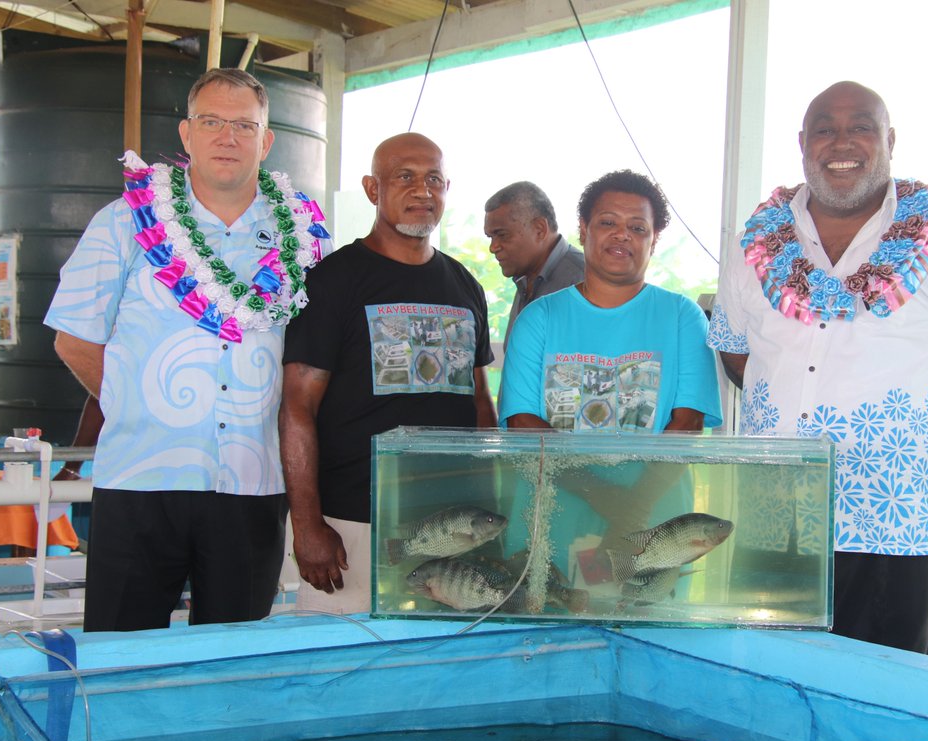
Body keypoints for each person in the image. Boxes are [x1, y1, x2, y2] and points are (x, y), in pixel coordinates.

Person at [709, 81, 928, 661]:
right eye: (825, 128)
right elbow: (737, 354)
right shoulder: (751, 248)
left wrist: (908, 431)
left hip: (894, 515)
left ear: (890, 141)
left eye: (861, 126)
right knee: (772, 680)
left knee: (892, 695)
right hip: (776, 511)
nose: (842, 141)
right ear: (803, 143)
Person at [44, 68, 331, 631]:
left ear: (266, 140)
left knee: (233, 655)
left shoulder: (307, 236)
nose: (228, 137)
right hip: (140, 480)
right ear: (186, 134)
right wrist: (138, 403)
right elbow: (74, 338)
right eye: (212, 122)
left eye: (244, 125)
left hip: (253, 481)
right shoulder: (125, 222)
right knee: (121, 653)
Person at [280, 132, 497, 615]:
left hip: (452, 524)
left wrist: (489, 500)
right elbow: (297, 406)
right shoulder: (332, 280)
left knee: (438, 673)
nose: (422, 190)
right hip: (353, 524)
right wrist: (307, 524)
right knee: (340, 668)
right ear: (372, 189)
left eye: (434, 180)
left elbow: (481, 401)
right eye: (405, 177)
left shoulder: (465, 285)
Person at [498, 170, 722, 571]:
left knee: (643, 622)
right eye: (607, 223)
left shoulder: (682, 317)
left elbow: (687, 423)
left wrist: (633, 509)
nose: (622, 235)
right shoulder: (540, 319)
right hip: (554, 515)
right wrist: (610, 502)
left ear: (654, 240)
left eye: (637, 227)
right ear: (583, 231)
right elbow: (522, 423)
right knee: (549, 623)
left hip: (653, 528)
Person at [483, 181, 584, 338]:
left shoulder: (585, 281)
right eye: (491, 237)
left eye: (502, 235)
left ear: (539, 229)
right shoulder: (525, 279)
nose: (493, 247)